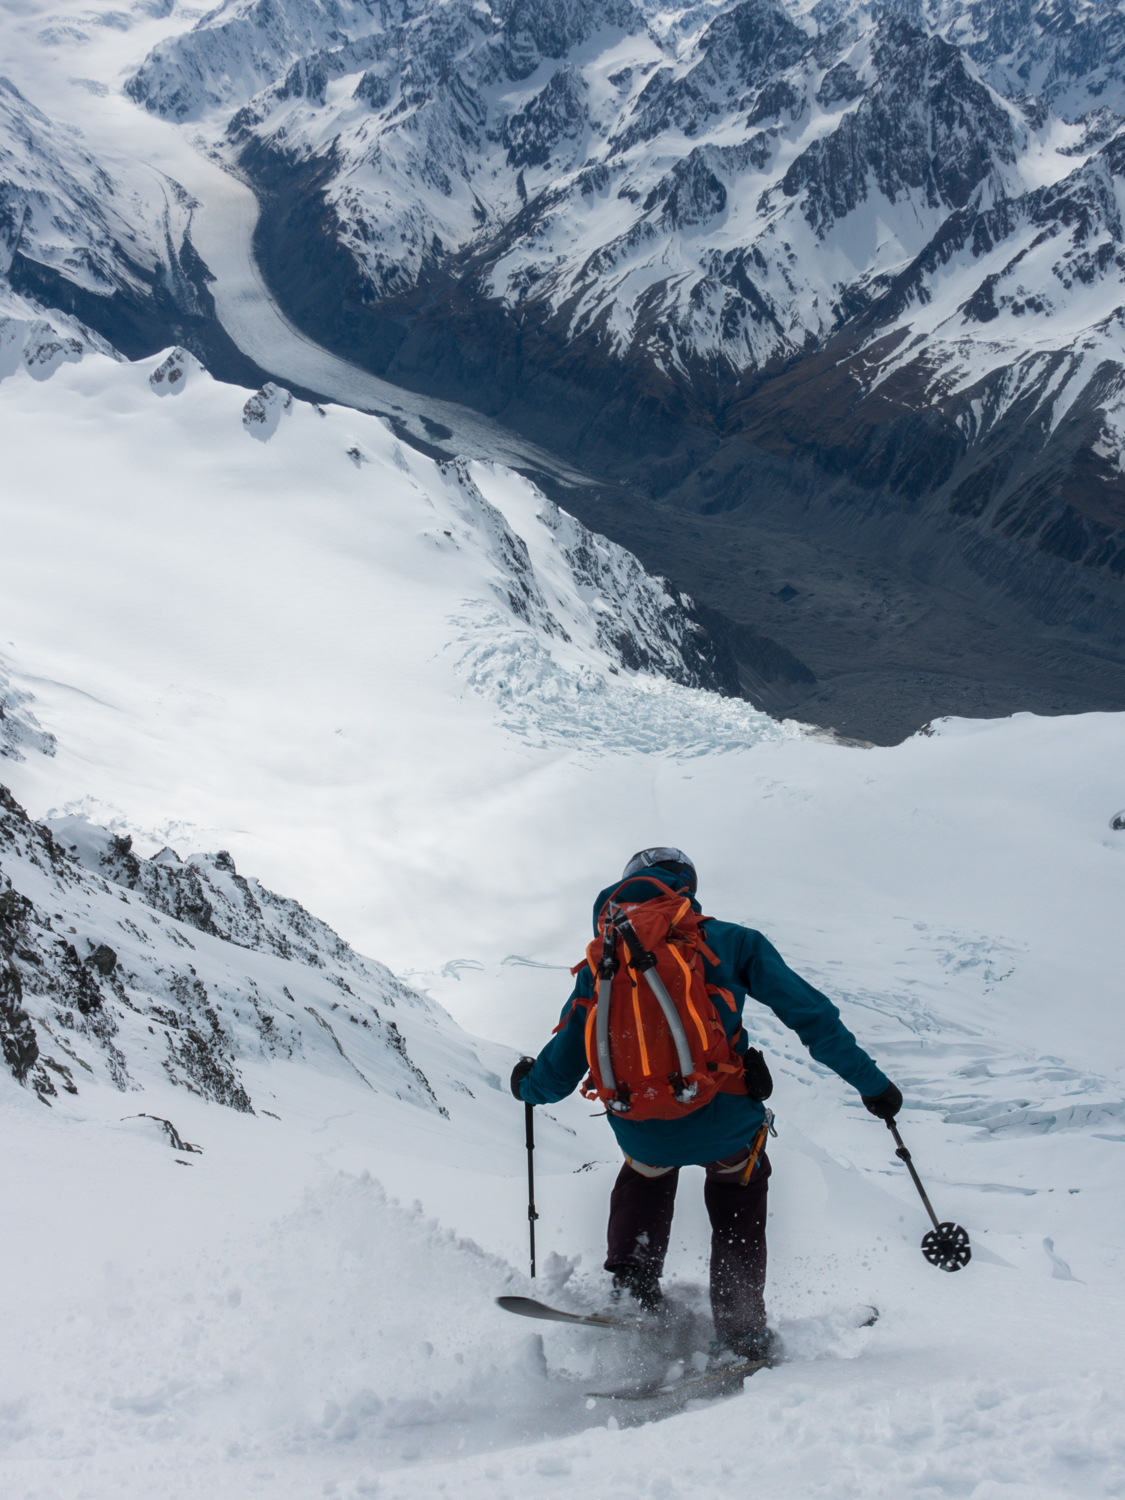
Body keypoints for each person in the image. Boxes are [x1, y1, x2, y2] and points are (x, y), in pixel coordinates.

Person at [510, 846, 902, 1366]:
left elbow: (560, 1070)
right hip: (725, 1121)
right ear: (685, 889)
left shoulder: (601, 958)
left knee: (644, 1175)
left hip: (640, 1126)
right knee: (738, 1187)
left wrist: (526, 1087)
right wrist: (873, 1085)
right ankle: (741, 1334)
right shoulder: (731, 942)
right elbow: (813, 1018)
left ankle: (634, 1296)